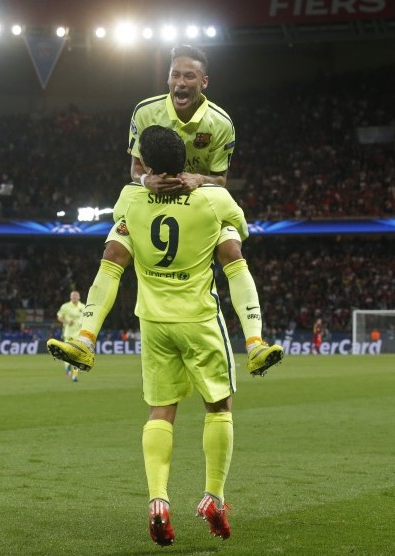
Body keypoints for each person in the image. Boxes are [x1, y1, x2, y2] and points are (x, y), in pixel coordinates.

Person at [50, 126, 281, 546]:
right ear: (186, 164)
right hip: (199, 320)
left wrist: (142, 182)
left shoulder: (130, 199)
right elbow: (240, 233)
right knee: (219, 406)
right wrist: (206, 189)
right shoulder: (215, 200)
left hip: (153, 323)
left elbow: (113, 260)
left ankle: (158, 500)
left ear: (150, 166)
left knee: (160, 411)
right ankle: (214, 496)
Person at [51, 45, 281, 377]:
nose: (181, 82)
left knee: (232, 250)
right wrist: (146, 180)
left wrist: (197, 178)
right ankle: (85, 341)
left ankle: (256, 344)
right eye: (175, 74)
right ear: (168, 78)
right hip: (153, 196)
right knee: (114, 250)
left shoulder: (220, 123)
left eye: (189, 75)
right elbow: (134, 168)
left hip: (200, 198)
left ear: (204, 81)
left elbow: (221, 178)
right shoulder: (145, 112)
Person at [55, 291, 86, 382]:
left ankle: (74, 376)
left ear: (79, 297)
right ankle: (68, 367)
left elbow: (87, 318)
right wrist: (67, 322)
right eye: (73, 296)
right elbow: (59, 317)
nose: (74, 297)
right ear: (70, 297)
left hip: (79, 334)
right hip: (68, 333)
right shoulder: (65, 306)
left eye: (76, 296)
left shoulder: (83, 307)